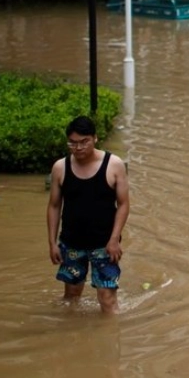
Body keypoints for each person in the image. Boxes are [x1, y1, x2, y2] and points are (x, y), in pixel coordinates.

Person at [46, 116, 130, 314]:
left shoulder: (114, 165)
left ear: (95, 138)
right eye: (73, 143)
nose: (79, 147)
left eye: (84, 141)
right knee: (71, 296)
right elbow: (54, 206)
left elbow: (124, 204)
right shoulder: (60, 167)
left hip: (105, 244)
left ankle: (109, 340)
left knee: (107, 300)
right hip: (72, 242)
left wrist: (114, 239)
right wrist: (52, 243)